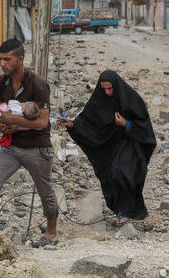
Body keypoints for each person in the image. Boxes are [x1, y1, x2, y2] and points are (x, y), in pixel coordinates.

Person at [0, 39, 59, 247]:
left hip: (37, 147)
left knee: (45, 190)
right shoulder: (2, 83)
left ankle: (52, 232)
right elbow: (0, 115)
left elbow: (42, 122)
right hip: (12, 147)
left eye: (7, 59)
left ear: (21, 59)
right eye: (1, 60)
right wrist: (1, 127)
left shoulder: (38, 85)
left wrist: (12, 120)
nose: (3, 64)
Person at [58, 70, 157, 226]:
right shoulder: (98, 100)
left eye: (110, 88)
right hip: (107, 146)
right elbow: (86, 121)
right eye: (104, 89)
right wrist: (73, 125)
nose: (108, 92)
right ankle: (120, 212)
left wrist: (126, 124)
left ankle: (127, 211)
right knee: (109, 175)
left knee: (122, 172)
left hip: (128, 143)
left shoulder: (131, 100)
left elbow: (144, 127)